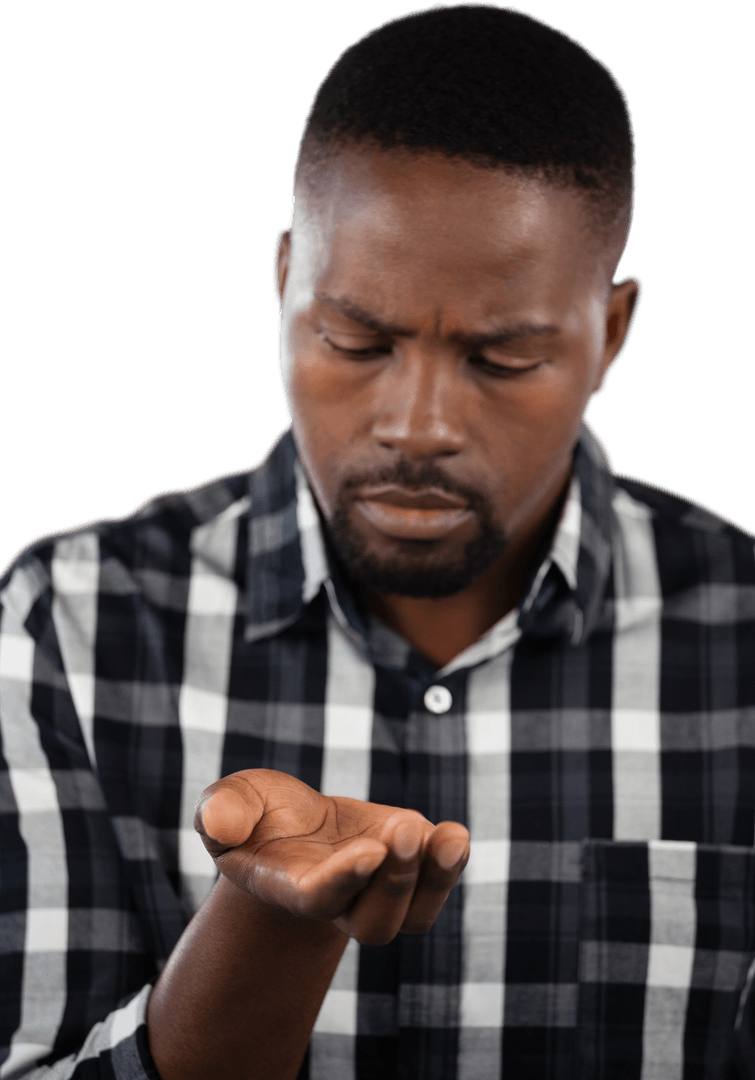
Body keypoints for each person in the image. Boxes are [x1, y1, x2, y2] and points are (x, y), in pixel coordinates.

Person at [1, 3, 754, 1078]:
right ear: (281, 285)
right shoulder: (66, 631)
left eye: (499, 359)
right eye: (354, 339)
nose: (418, 425)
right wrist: (264, 932)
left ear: (610, 335)